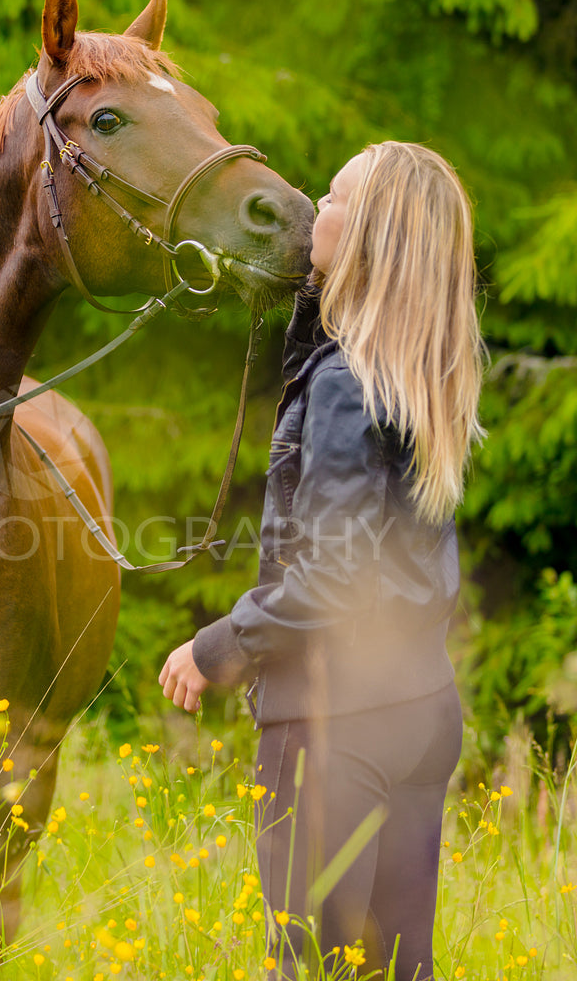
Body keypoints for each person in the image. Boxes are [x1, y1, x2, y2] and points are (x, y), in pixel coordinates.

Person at [158, 141, 487, 981]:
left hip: (336, 719)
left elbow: (334, 579)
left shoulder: (345, 381)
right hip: (420, 708)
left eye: (334, 197)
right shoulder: (419, 376)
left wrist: (219, 647)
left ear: (371, 235)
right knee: (394, 971)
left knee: (310, 968)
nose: (314, 206)